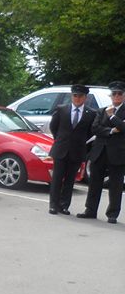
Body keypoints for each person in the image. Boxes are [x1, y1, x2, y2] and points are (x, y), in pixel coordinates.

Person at [77, 80, 125, 224]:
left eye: (119, 94)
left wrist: (112, 117)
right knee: (94, 183)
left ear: (124, 95)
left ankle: (112, 214)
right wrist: (111, 130)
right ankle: (90, 210)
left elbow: (123, 128)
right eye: (114, 94)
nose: (116, 96)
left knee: (115, 185)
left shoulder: (114, 112)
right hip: (99, 151)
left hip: (118, 153)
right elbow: (95, 128)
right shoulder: (102, 110)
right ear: (110, 96)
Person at [47, 84, 96, 215]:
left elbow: (91, 132)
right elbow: (54, 127)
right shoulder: (62, 109)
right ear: (71, 96)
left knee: (70, 180)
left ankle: (64, 205)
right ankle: (53, 205)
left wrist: (80, 141)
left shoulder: (91, 113)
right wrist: (60, 139)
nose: (77, 98)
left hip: (77, 151)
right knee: (57, 179)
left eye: (80, 96)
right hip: (61, 149)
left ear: (85, 98)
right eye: (75, 95)